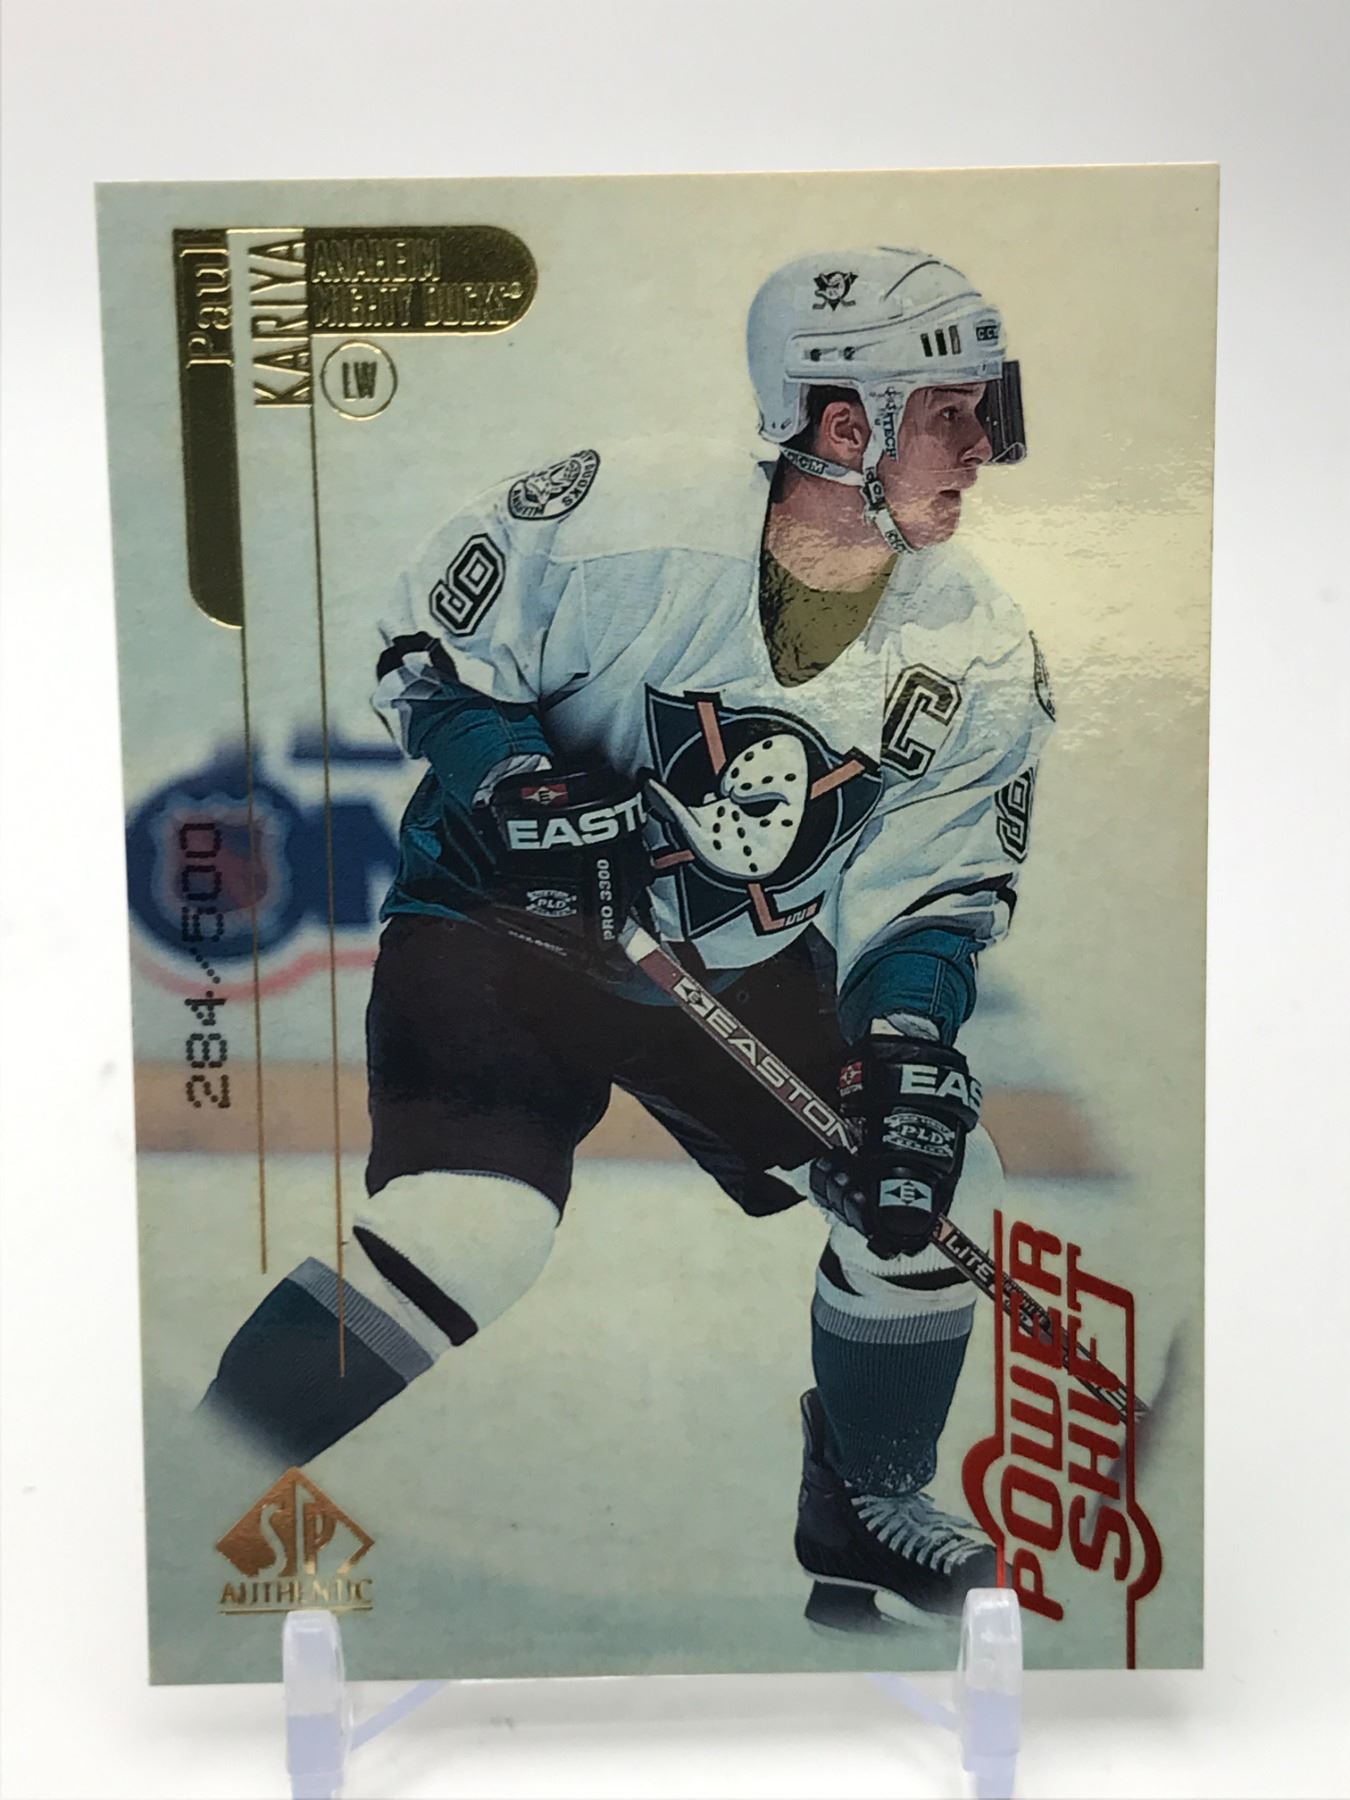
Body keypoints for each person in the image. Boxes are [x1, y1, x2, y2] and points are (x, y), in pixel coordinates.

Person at [202, 247, 1054, 1629]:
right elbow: (431, 659)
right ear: (848, 425)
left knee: (932, 1179)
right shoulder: (615, 518)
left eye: (984, 410)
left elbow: (935, 896)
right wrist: (517, 784)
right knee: (469, 1231)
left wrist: (904, 1048)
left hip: (726, 966)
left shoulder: (981, 649)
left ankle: (866, 1503)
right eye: (953, 414)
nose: (982, 449)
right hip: (502, 933)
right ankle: (196, 1478)